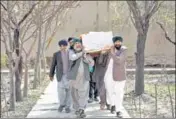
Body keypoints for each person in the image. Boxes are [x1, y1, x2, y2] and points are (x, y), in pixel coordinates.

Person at [67, 38, 94, 118]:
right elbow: (73, 57)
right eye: (76, 44)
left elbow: (91, 64)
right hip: (73, 78)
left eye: (79, 43)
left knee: (83, 94)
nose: (78, 45)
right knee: (74, 94)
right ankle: (77, 108)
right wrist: (82, 53)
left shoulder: (87, 54)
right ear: (73, 46)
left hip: (84, 78)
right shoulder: (71, 52)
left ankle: (82, 109)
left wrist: (85, 57)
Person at [103, 36, 128, 118]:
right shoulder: (110, 49)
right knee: (110, 92)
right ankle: (113, 104)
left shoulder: (124, 50)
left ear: (121, 42)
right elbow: (101, 61)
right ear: (113, 43)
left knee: (119, 93)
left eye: (119, 42)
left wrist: (111, 52)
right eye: (116, 42)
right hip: (108, 75)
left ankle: (118, 110)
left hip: (119, 75)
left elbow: (119, 61)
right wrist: (103, 52)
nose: (118, 43)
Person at [49, 39, 71, 113]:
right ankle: (62, 104)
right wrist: (51, 75)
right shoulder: (56, 54)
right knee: (61, 92)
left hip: (69, 75)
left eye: (64, 45)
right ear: (59, 46)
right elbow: (53, 65)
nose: (63, 47)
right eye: (61, 46)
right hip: (60, 75)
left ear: (66, 46)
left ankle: (68, 106)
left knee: (69, 91)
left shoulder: (70, 53)